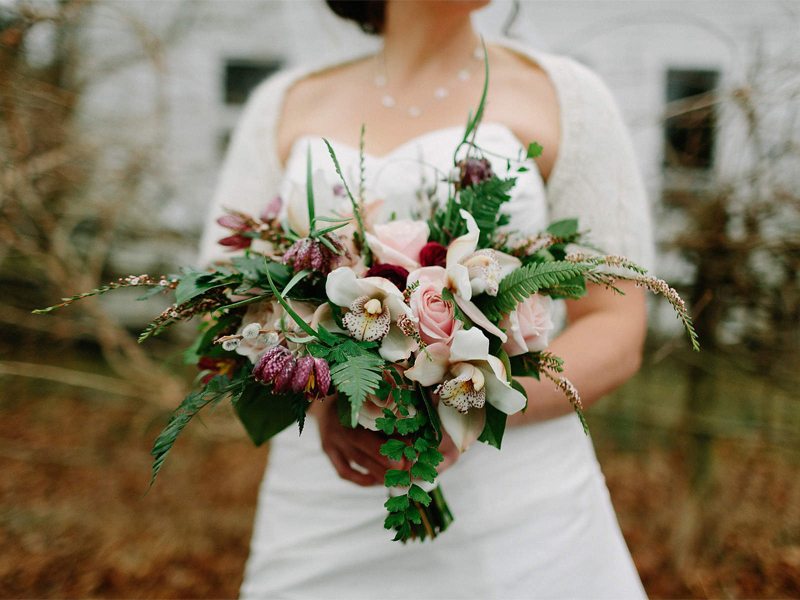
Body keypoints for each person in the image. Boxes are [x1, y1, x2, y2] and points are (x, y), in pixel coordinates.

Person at [198, 1, 654, 597]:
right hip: (326, 505)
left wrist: (466, 405)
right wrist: (324, 399)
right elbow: (227, 297)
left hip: (520, 516)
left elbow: (616, 326)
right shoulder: (284, 103)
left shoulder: (566, 96)